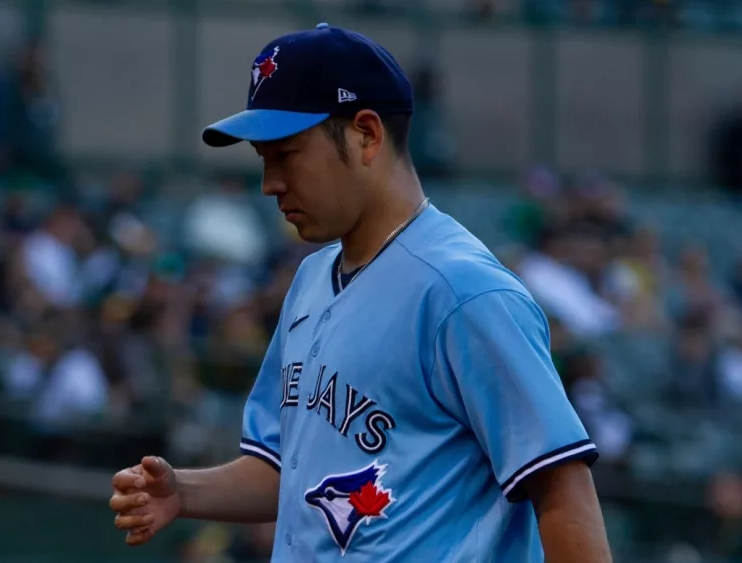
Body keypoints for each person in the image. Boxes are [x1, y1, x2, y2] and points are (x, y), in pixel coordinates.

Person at [111, 23, 612, 562]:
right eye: (264, 158)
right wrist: (184, 493)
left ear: (367, 134)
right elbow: (289, 468)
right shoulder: (309, 280)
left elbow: (562, 489)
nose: (270, 183)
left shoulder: (463, 292)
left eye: (287, 153)